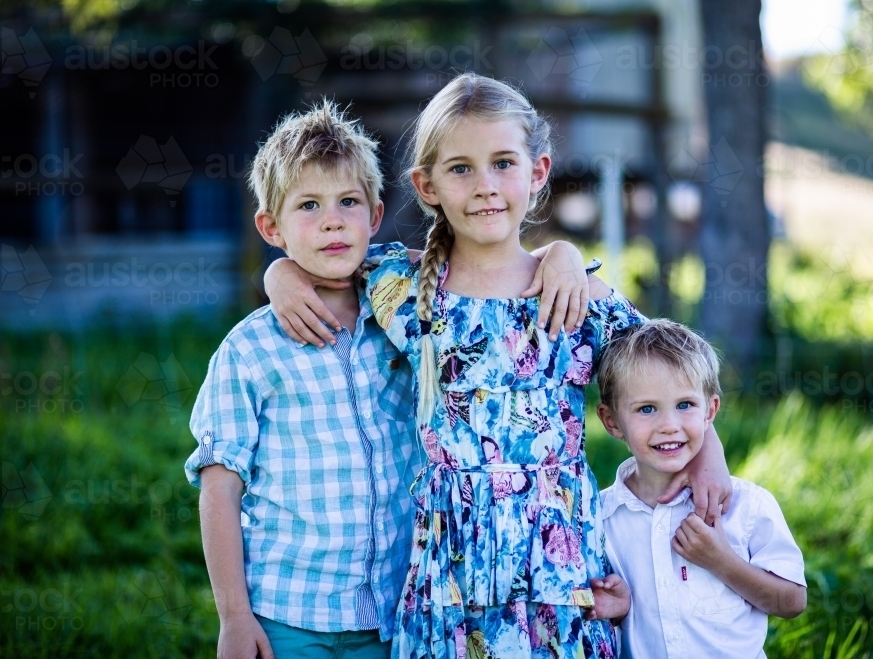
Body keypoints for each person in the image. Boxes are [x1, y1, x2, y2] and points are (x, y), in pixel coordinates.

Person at [266, 73, 733, 659]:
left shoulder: (571, 294)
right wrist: (278, 275)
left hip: (556, 566)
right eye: (460, 168)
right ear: (427, 185)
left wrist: (709, 454)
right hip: (451, 568)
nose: (485, 186)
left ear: (538, 172)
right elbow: (325, 257)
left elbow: (672, 373)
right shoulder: (401, 288)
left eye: (503, 163)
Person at [186, 99, 587, 659]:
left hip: (399, 610)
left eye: (348, 202)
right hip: (289, 613)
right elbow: (219, 486)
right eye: (309, 206)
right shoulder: (251, 351)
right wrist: (233, 615)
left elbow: (487, 263)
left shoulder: (402, 308)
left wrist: (561, 253)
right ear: (270, 227)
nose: (332, 221)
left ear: (375, 217)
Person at [595, 319, 807, 659]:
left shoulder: (747, 506)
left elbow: (792, 602)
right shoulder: (600, 517)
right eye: (646, 409)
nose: (669, 426)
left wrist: (721, 562)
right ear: (611, 421)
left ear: (710, 410)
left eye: (684, 405)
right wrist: (620, 608)